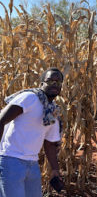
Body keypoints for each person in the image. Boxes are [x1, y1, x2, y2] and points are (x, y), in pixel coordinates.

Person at [0, 67, 64, 197]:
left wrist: (55, 169)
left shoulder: (52, 111)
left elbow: (50, 143)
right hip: (10, 161)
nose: (54, 84)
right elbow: (1, 120)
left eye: (58, 82)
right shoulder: (29, 98)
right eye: (50, 81)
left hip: (32, 164)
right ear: (41, 84)